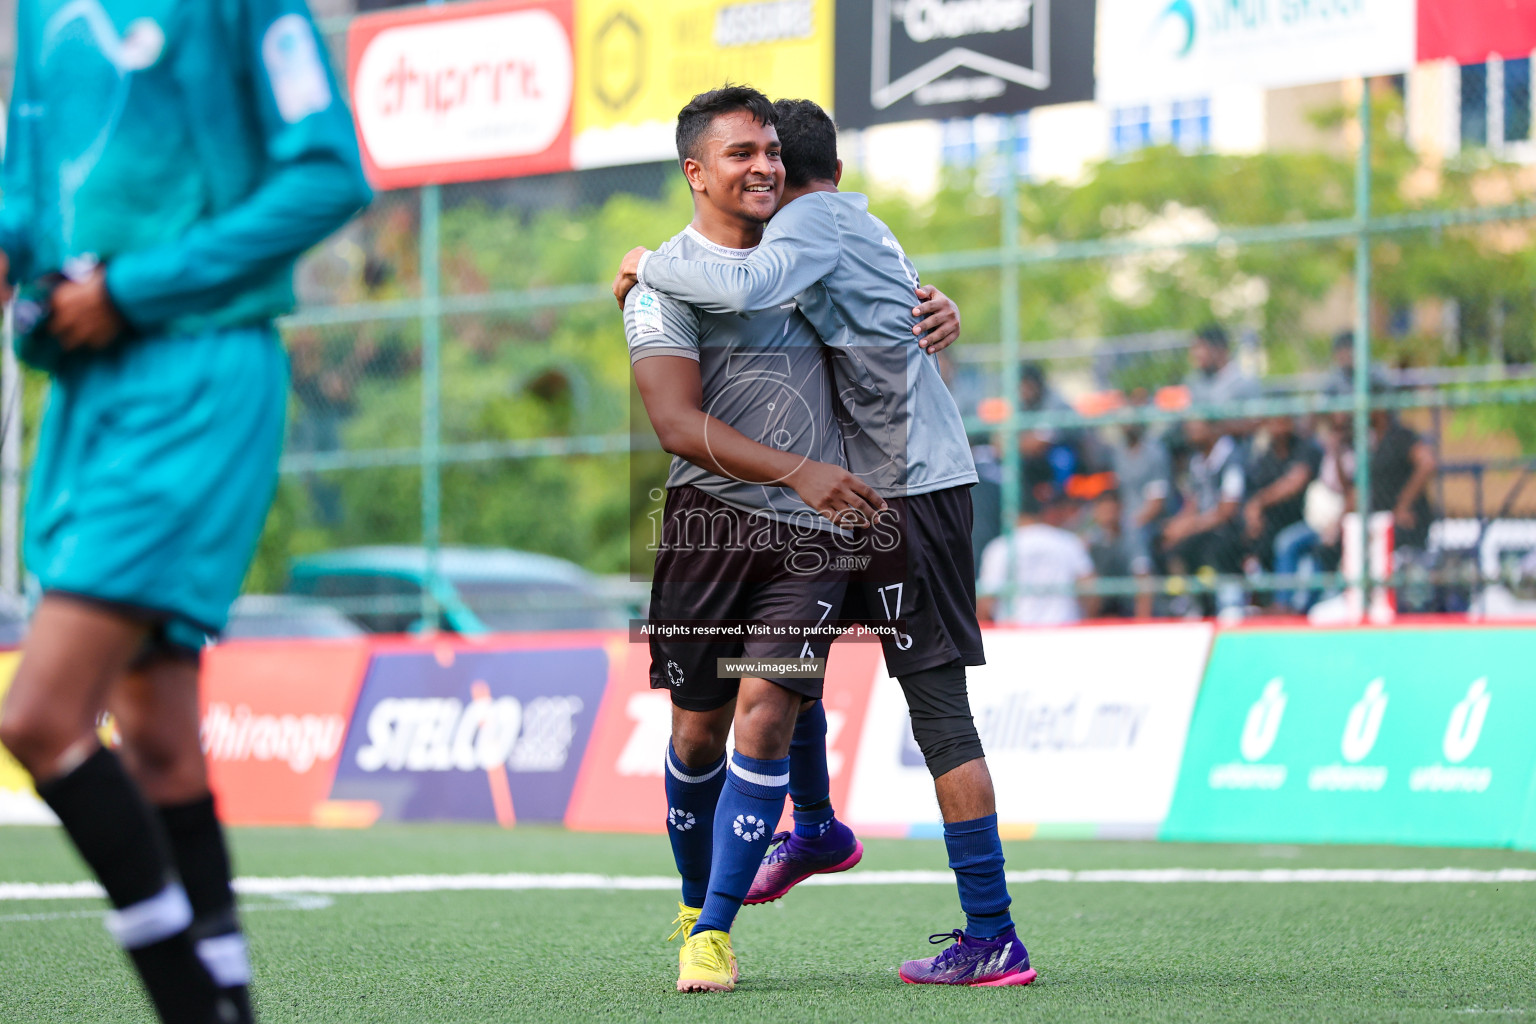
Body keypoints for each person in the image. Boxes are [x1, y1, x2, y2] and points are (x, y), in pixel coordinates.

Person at [0, 3, 371, 1022]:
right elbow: (28, 195)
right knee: (159, 739)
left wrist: (137, 287)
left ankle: (191, 1011)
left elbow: (328, 172)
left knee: (38, 717)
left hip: (197, 379)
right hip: (83, 391)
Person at [617, 97, 1033, 989]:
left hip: (901, 498)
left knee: (931, 714)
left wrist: (647, 264)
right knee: (768, 691)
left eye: (768, 154)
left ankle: (989, 931)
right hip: (841, 501)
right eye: (742, 154)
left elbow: (753, 288)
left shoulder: (803, 233)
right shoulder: (838, 232)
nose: (760, 170)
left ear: (795, 180)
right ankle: (814, 828)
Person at [1161, 417, 1247, 615]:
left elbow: (1227, 510)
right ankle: (1191, 602)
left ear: (1212, 429)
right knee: (1168, 544)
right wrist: (1177, 525)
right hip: (1204, 525)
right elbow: (1194, 502)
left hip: (1229, 528)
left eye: (1196, 429)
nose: (1191, 434)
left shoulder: (1231, 457)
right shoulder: (1197, 461)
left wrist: (1190, 526)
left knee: (1213, 547)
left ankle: (1228, 603)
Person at [978, 485, 1094, 626]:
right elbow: (1090, 590)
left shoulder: (1000, 547)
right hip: (1063, 631)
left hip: (1014, 634)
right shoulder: (1068, 541)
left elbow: (985, 601)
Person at [1243, 413, 1322, 575]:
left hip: (1307, 520)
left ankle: (1282, 599)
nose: (1278, 426)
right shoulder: (1266, 455)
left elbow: (1296, 481)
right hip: (1274, 522)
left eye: (1283, 420)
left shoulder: (1306, 447)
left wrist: (1258, 502)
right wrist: (1253, 513)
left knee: (1285, 542)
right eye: (1273, 421)